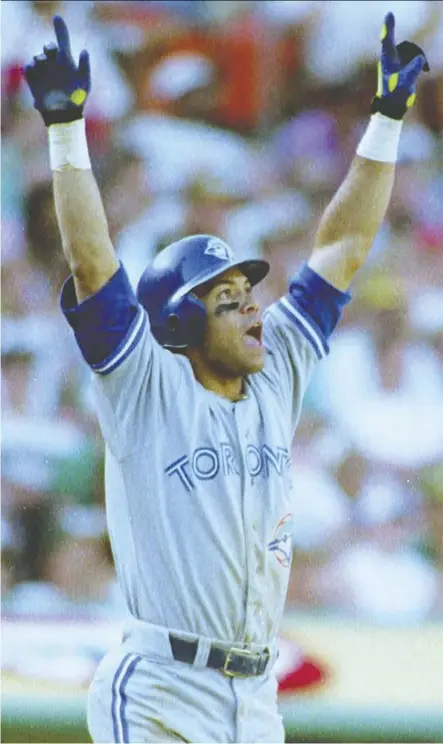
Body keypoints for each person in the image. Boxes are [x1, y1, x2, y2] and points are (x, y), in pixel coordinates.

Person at [23, 13, 429, 744]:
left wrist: (385, 121)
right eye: (227, 299)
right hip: (160, 690)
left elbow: (340, 246)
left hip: (254, 697)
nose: (252, 309)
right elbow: (92, 262)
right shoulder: (144, 386)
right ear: (179, 326)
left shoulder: (278, 372)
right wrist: (64, 131)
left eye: (249, 293)